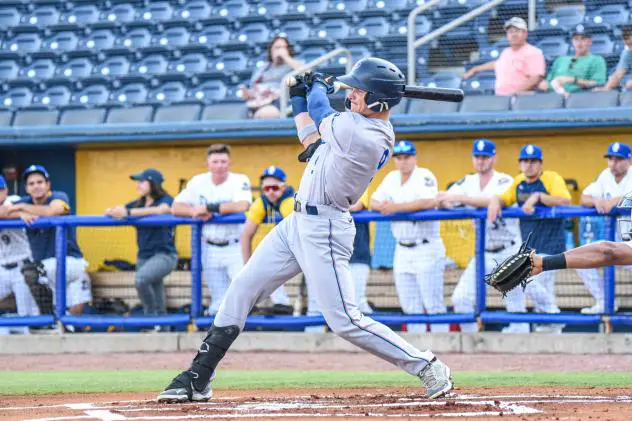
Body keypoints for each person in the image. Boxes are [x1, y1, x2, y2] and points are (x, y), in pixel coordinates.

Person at [157, 57, 453, 403]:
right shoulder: (350, 126)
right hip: (297, 222)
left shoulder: (365, 132)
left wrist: (315, 88)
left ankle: (427, 365)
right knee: (242, 288)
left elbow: (320, 108)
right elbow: (310, 137)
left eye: (359, 90)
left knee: (344, 320)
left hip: (326, 227)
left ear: (378, 102)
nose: (352, 93)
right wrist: (299, 96)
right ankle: (198, 376)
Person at [437, 139, 529, 334]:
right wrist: (446, 201)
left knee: (516, 308)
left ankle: (523, 358)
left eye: (485, 157)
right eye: (477, 157)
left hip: (509, 251)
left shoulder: (505, 180)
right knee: (460, 298)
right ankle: (473, 338)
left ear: (493, 158)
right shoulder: (467, 181)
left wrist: (460, 199)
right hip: (484, 253)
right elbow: (445, 199)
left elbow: (492, 201)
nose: (481, 161)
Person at [488, 145, 571, 333]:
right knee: (537, 285)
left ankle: (553, 316)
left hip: (551, 244)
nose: (529, 165)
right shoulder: (518, 181)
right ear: (520, 164)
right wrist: (495, 201)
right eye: (525, 161)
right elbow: (504, 198)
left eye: (533, 161)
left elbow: (565, 200)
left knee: (528, 281)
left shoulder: (551, 178)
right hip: (530, 245)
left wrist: (539, 196)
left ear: (540, 163)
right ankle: (551, 323)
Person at [371, 140, 448, 333]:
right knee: (409, 306)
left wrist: (394, 208)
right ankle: (418, 353)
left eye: (407, 157)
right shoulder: (391, 177)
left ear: (414, 158)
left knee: (433, 304)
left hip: (426, 247)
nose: (403, 161)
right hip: (402, 249)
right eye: (399, 157)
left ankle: (445, 348)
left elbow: (429, 202)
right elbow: (373, 201)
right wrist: (383, 206)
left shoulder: (424, 175)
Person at [172, 144, 252, 316]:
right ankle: (222, 334)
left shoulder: (239, 179)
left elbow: (242, 205)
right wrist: (194, 211)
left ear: (229, 163)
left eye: (223, 161)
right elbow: (176, 207)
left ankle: (247, 327)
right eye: (215, 161)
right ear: (208, 164)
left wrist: (209, 208)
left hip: (234, 245)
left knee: (243, 288)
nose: (219, 165)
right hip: (208, 247)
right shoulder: (198, 181)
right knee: (218, 296)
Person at [7, 165, 91, 316]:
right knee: (30, 273)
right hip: (44, 267)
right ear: (26, 188)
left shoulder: (59, 196)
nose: (36, 186)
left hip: (70, 262)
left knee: (76, 310)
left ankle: (63, 325)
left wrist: (21, 208)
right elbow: (3, 211)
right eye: (31, 184)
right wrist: (19, 214)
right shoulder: (24, 203)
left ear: (48, 185)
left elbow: (53, 210)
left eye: (40, 182)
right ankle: (49, 319)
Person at [104, 169, 177, 320]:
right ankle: (162, 328)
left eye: (142, 182)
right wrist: (112, 211)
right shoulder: (139, 202)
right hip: (144, 255)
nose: (138, 185)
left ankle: (150, 318)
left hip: (164, 255)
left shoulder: (166, 198)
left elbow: (163, 210)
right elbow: (120, 210)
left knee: (141, 280)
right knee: (156, 291)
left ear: (153, 183)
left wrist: (130, 213)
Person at [577, 142, 632, 314]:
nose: (613, 163)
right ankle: (604, 302)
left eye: (618, 159)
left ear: (629, 160)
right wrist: (596, 201)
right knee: (581, 259)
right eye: (610, 159)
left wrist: (614, 200)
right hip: (616, 241)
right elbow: (583, 198)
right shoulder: (604, 175)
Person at [240, 165, 293, 313]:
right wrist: (247, 265)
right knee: (261, 266)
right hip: (282, 250)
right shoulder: (262, 202)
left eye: (274, 188)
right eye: (266, 188)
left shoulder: (290, 201)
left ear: (283, 187)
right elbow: (246, 234)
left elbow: (298, 233)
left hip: (303, 248)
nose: (270, 192)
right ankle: (281, 305)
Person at [463, 17, 545, 96]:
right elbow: (498, 64)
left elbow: (536, 78)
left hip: (521, 99)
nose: (514, 34)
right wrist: (476, 69)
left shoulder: (533, 52)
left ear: (525, 33)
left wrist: (515, 93)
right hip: (502, 99)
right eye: (510, 32)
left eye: (517, 31)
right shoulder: (507, 52)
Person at [0, 175, 40, 323]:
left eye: (0, 190)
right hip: (2, 269)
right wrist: (17, 214)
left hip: (22, 268)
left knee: (27, 317)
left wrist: (14, 212)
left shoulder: (15, 200)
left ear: (6, 190)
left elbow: (5, 211)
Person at [240, 35, 303, 119]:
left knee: (262, 115)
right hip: (258, 101)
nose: (280, 50)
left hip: (280, 101)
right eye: (277, 48)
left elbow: (307, 73)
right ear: (271, 51)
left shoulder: (293, 64)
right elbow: (253, 89)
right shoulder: (263, 68)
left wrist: (286, 57)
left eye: (284, 48)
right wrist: (247, 93)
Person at [538, 28, 607, 96]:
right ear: (572, 41)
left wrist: (573, 80)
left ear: (590, 41)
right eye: (576, 39)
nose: (579, 43)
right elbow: (548, 81)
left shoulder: (597, 60)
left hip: (579, 97)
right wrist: (543, 84)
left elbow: (598, 83)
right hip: (554, 97)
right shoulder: (560, 60)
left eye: (583, 39)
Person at [349, 191, 373, 314]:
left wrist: (330, 207)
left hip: (358, 255)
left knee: (357, 300)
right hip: (336, 255)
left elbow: (356, 206)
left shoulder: (361, 185)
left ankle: (373, 331)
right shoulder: (332, 184)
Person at [594, 26, 632, 92]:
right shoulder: (627, 52)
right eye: (628, 45)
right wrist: (606, 88)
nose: (630, 48)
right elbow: (618, 74)